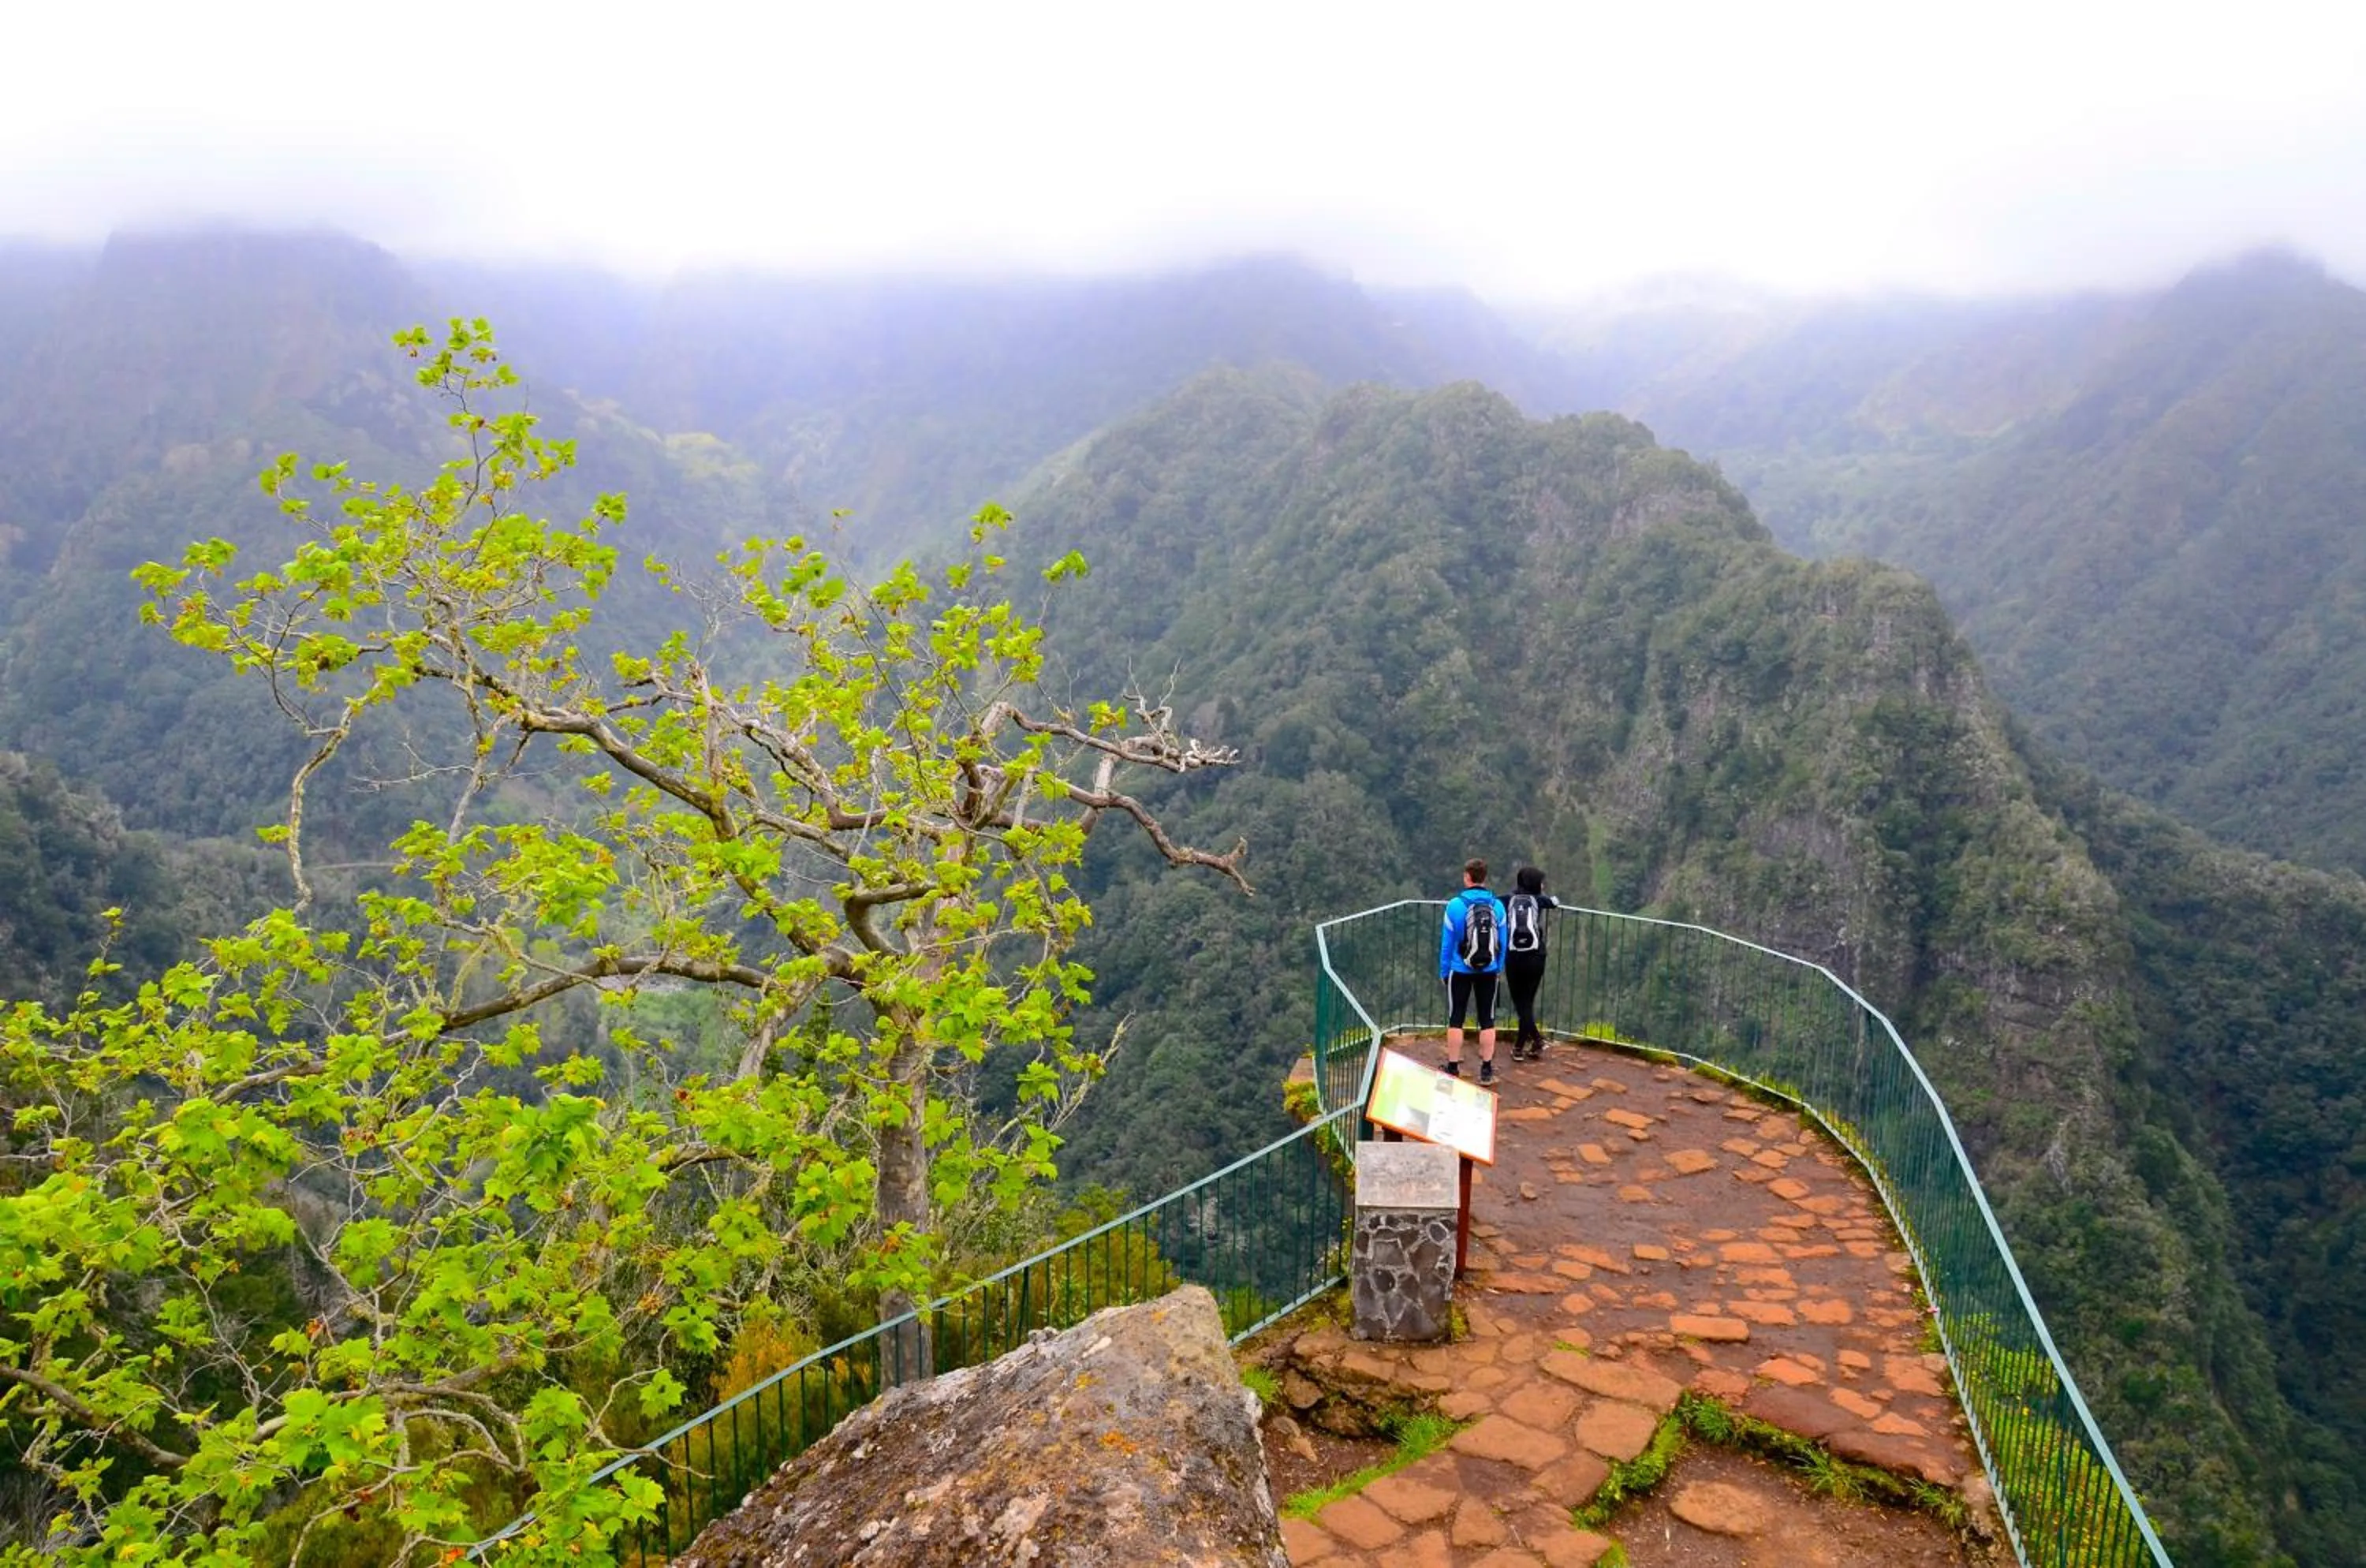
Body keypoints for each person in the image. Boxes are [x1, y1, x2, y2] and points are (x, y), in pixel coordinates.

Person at [1439, 857, 1509, 1086]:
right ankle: (1486, 1070)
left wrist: (1444, 970)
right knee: (1487, 1020)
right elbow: (1503, 943)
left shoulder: (1455, 906)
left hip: (1460, 970)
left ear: (1467, 877)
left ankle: (1453, 1067)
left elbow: (1447, 944)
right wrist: (1498, 966)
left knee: (1456, 1018)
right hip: (1489, 970)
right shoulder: (1497, 907)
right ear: (1485, 878)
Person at [1503, 864, 1562, 1061]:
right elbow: (1555, 903)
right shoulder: (1539, 900)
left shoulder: (1509, 899)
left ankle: (1527, 1044)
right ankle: (1529, 1043)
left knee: (1521, 1004)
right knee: (1527, 1002)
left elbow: (1493, 902)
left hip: (1513, 957)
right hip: (1536, 957)